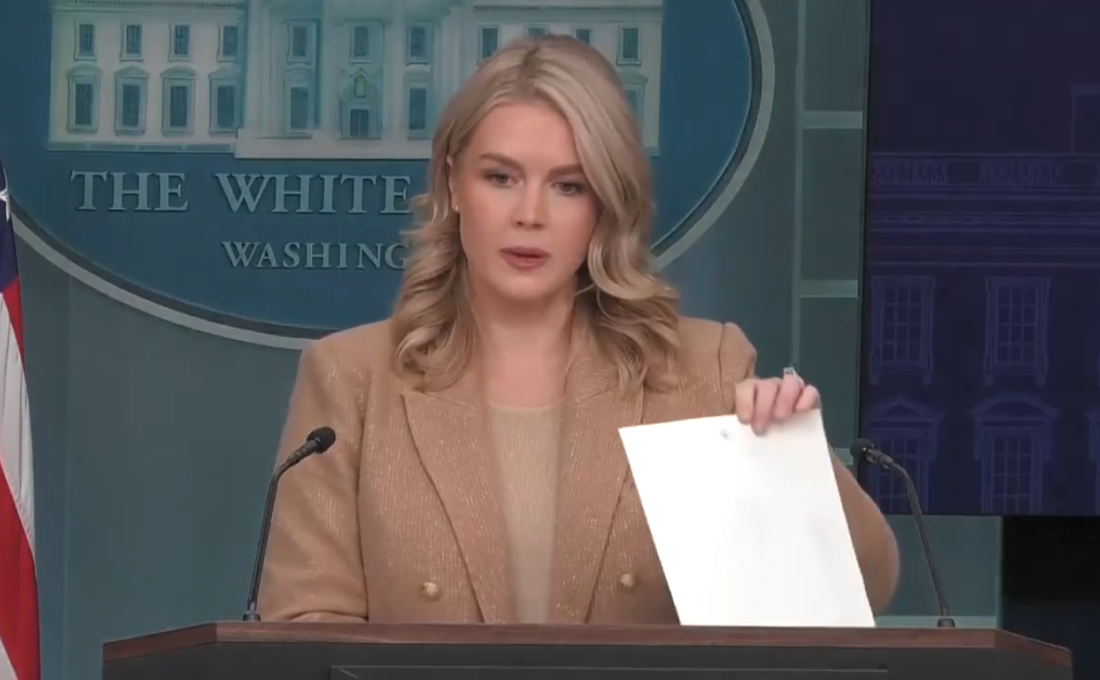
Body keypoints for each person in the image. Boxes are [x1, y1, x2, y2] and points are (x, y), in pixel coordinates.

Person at [257, 34, 900, 625]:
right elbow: (310, 627)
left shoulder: (704, 370)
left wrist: (793, 461)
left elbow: (865, 590)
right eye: (501, 177)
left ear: (604, 205)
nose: (529, 214)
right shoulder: (352, 377)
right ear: (453, 184)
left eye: (568, 186)